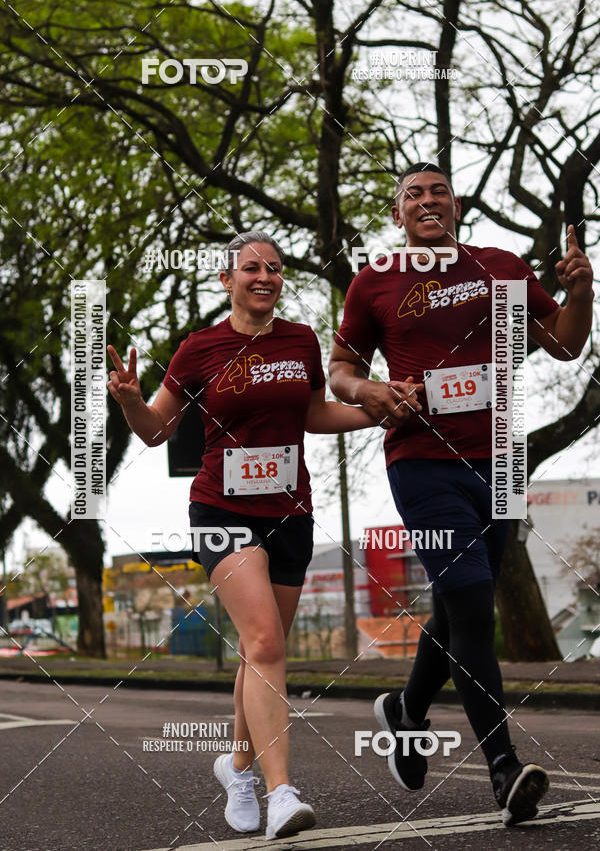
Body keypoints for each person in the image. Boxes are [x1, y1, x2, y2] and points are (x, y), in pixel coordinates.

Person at [329, 163, 594, 826]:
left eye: (438, 191)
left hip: (498, 463)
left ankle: (407, 710)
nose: (427, 200)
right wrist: (371, 391)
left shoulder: (500, 267)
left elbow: (564, 344)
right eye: (413, 194)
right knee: (474, 607)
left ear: (455, 206)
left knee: (456, 607)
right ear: (398, 214)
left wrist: (583, 293)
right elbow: (341, 371)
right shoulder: (374, 281)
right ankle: (504, 769)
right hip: (421, 463)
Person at [107, 231, 376, 840]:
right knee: (264, 641)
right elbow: (156, 429)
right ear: (227, 280)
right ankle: (281, 793)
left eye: (274, 268)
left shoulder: (301, 340)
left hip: (291, 512)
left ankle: (236, 768)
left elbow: (314, 414)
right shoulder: (198, 349)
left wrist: (377, 411)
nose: (265, 277)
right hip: (221, 510)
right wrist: (129, 402)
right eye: (251, 268)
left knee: (263, 652)